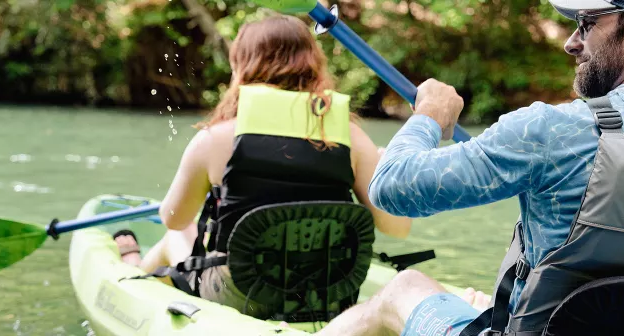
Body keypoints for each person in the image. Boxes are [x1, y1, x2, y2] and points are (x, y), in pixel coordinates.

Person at [315, 0, 624, 335]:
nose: (571, 42)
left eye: (586, 24)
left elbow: (390, 187)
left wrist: (428, 117)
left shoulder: (553, 131)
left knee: (403, 287)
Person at [111, 14, 426, 319]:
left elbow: (174, 218)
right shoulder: (352, 138)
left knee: (175, 237)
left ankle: (132, 275)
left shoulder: (215, 139)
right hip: (328, 292)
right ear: (314, 65)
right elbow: (398, 227)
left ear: (242, 68)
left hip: (242, 296)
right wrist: (389, 170)